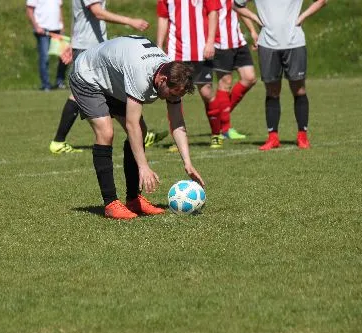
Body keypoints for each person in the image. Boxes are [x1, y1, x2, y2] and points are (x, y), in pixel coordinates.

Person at [65, 35, 205, 219]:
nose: (173, 98)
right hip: (87, 74)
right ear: (162, 80)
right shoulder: (141, 74)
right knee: (106, 132)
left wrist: (188, 163)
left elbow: (177, 123)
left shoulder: (173, 77)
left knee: (142, 130)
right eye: (172, 94)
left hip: (113, 80)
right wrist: (143, 167)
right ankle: (111, 203)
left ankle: (133, 200)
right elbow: (131, 125)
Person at [49, 0, 155, 154]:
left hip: (89, 45)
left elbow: (79, 17)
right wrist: (130, 21)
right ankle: (138, 130)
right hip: (89, 47)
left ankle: (138, 130)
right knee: (101, 91)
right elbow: (97, 12)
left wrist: (73, 42)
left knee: (97, 92)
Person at [234, 0, 328, 150]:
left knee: (299, 90)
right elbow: (236, 4)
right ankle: (273, 137)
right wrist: (255, 18)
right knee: (272, 91)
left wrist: (302, 17)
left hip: (295, 43)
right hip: (267, 44)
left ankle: (302, 136)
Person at [156, 0, 223, 149]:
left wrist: (211, 41)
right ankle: (177, 139)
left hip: (201, 50)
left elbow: (213, 12)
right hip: (176, 51)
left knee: (206, 92)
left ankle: (216, 134)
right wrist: (159, 46)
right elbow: (163, 17)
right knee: (173, 94)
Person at [209, 0, 259, 140]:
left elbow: (239, 7)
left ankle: (220, 117)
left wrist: (252, 30)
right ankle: (225, 128)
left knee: (249, 78)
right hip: (220, 42)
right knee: (225, 83)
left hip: (238, 41)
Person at [26, 0, 67, 91]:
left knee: (64, 56)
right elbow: (29, 10)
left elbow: (59, 9)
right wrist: (36, 26)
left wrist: (62, 25)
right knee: (45, 57)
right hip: (43, 30)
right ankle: (46, 84)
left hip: (57, 30)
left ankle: (59, 81)